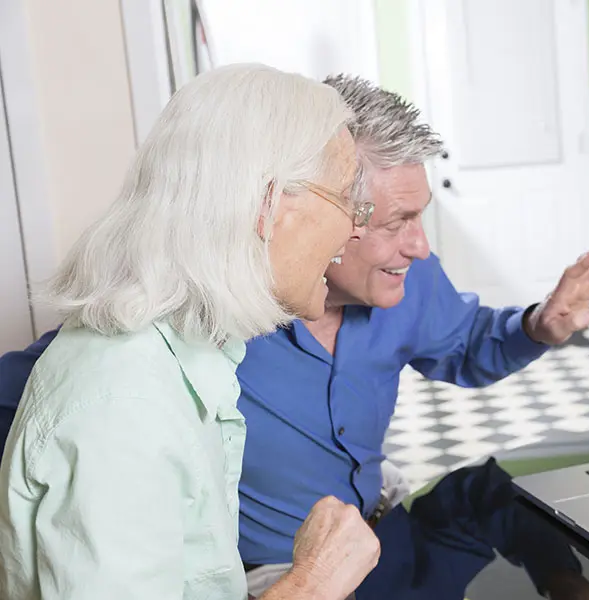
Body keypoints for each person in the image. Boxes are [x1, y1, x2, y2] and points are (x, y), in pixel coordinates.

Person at [0, 75, 589, 599]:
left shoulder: (199, 353)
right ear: (269, 206)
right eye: (357, 211)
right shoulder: (130, 387)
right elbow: (58, 404)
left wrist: (537, 325)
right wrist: (313, 582)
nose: (417, 245)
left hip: (386, 537)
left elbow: (468, 343)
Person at [0, 64, 381, 600]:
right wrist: (313, 583)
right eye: (345, 197)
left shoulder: (179, 356)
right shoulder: (123, 410)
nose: (357, 226)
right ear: (268, 205)